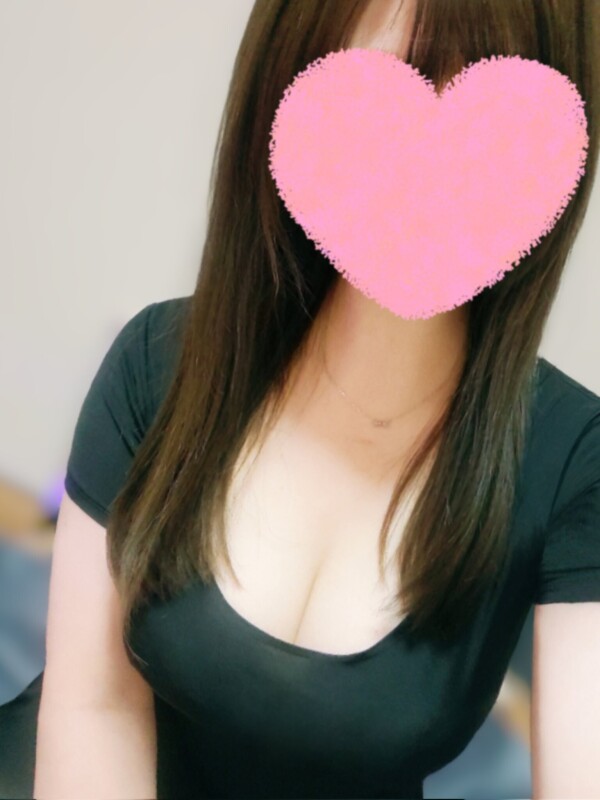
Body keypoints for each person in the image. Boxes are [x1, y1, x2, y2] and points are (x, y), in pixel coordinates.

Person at [32, 1, 600, 798]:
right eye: (392, 86)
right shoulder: (154, 366)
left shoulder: (574, 461)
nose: (429, 169)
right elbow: (93, 709)